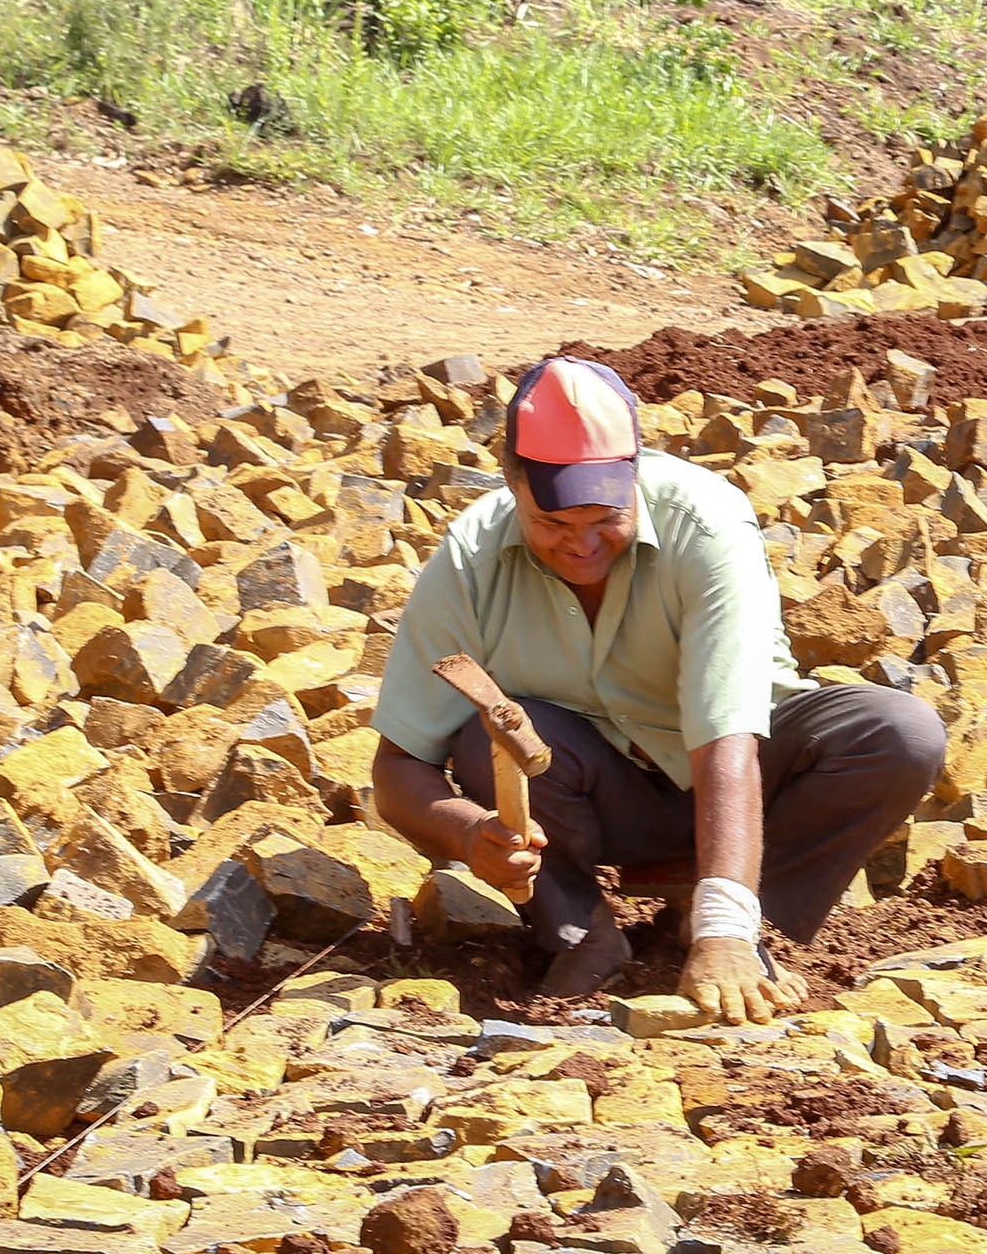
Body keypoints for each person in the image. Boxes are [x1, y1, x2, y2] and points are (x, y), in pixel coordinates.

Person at [370, 356, 947, 1022]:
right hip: (592, 803)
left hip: (743, 784)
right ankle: (581, 934)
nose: (582, 545)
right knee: (490, 732)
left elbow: (725, 738)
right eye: (553, 525)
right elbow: (397, 767)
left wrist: (724, 925)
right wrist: (472, 836)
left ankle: (737, 913)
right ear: (511, 480)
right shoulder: (473, 554)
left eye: (604, 519)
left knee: (898, 735)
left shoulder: (705, 524)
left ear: (635, 470)